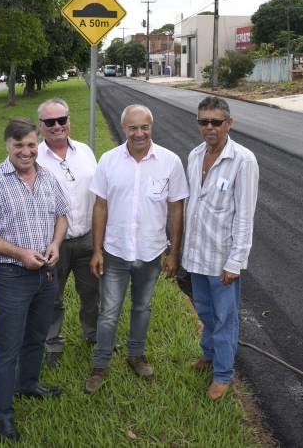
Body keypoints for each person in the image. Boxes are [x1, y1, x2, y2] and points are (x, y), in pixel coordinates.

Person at [0, 117, 69, 444]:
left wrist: (55, 245)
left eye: (30, 145)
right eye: (18, 146)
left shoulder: (47, 177)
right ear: (7, 146)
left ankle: (28, 385)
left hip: (47, 273)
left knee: (36, 336)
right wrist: (19, 254)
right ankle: (2, 415)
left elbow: (61, 215)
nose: (26, 152)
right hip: (13, 275)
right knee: (7, 345)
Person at [84, 104, 189, 394]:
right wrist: (96, 250)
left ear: (151, 127)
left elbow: (176, 208)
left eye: (144, 127)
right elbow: (100, 206)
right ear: (124, 128)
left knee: (142, 307)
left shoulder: (169, 161)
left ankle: (136, 354)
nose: (139, 133)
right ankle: (100, 364)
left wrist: (174, 252)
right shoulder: (109, 161)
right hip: (115, 252)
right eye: (133, 127)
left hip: (151, 252)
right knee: (108, 313)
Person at [183, 96, 259, 400]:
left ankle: (224, 373)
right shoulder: (194, 155)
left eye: (216, 121)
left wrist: (235, 261)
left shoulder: (243, 160)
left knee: (225, 317)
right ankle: (210, 355)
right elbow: (191, 204)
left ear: (228, 123)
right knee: (205, 311)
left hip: (222, 258)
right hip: (197, 254)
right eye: (203, 121)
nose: (209, 127)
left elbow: (245, 214)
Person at [35, 98, 98, 370]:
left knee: (91, 293)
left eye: (62, 119)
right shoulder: (32, 157)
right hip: (52, 245)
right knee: (52, 299)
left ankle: (93, 336)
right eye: (50, 122)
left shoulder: (85, 151)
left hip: (87, 239)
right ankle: (53, 346)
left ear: (69, 121)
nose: (57, 126)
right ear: (41, 126)